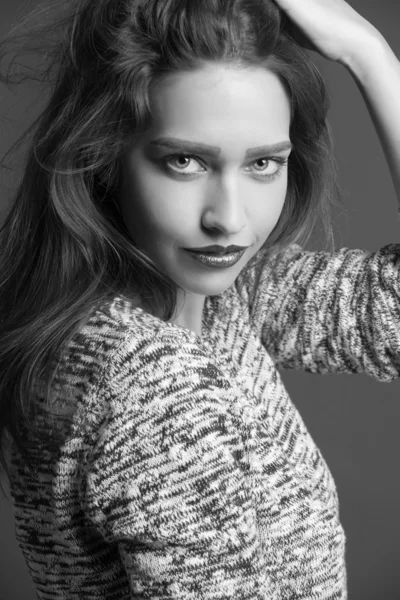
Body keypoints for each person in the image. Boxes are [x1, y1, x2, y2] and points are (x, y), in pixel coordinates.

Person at [0, 0, 399, 597]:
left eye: (264, 163)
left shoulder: (222, 299)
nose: (229, 220)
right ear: (105, 156)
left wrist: (369, 56)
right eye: (184, 161)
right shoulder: (159, 389)